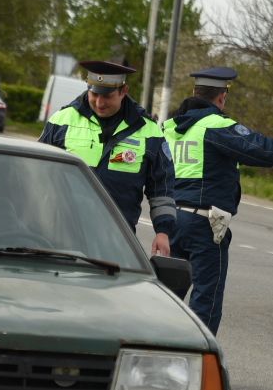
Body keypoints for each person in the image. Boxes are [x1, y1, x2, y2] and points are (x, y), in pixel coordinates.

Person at [164, 66, 273, 333]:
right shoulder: (218, 127)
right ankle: (199, 360)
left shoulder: (168, 127)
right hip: (203, 225)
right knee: (206, 299)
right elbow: (269, 153)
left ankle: (157, 350)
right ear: (222, 97)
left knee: (168, 296)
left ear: (194, 92)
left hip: (170, 220)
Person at [39, 59, 176, 256]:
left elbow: (162, 188)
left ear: (123, 91)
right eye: (94, 94)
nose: (99, 102)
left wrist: (163, 232)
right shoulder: (62, 120)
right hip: (59, 234)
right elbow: (34, 173)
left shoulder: (149, 132)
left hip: (116, 239)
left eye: (107, 96)